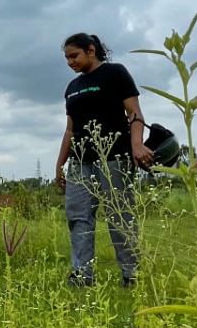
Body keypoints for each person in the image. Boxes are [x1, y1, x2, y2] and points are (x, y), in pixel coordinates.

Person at [53, 33, 153, 288]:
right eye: (66, 58)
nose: (69, 62)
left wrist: (137, 145)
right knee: (78, 217)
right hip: (80, 162)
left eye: (74, 56)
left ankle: (131, 275)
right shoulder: (72, 88)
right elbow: (70, 130)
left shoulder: (115, 73)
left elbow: (135, 115)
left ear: (91, 50)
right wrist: (59, 164)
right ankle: (82, 275)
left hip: (113, 159)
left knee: (119, 216)